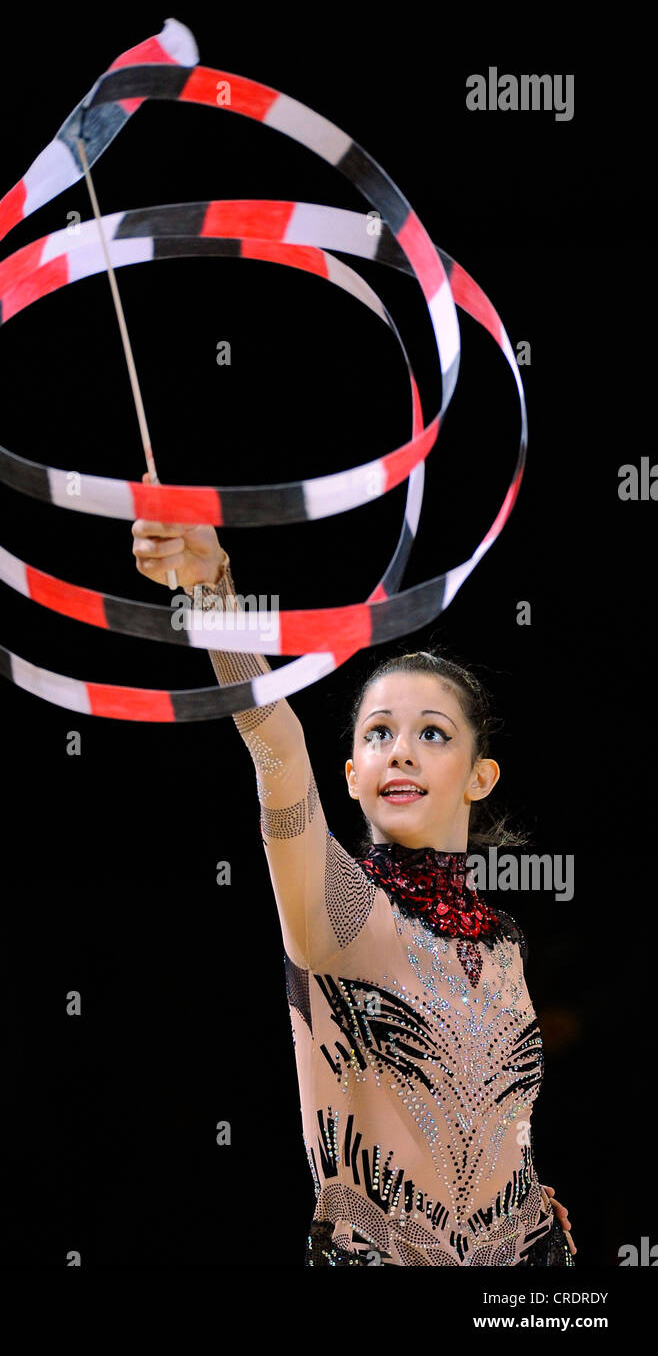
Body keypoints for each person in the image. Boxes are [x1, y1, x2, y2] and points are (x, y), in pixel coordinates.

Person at [131, 475, 576, 1267]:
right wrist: (211, 593)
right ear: (350, 774)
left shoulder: (506, 942)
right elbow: (274, 741)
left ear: (481, 776)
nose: (400, 750)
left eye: (433, 733)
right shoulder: (340, 908)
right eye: (378, 733)